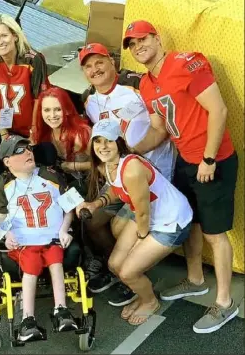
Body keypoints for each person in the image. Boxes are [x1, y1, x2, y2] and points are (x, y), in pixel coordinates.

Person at [123, 20, 239, 333]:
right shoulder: (147, 84)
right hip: (186, 160)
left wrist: (209, 158)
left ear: (156, 38)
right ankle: (196, 280)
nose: (138, 47)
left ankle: (226, 302)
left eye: (142, 39)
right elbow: (160, 130)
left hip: (213, 159)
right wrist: (130, 146)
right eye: (132, 44)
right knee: (193, 224)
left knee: (215, 234)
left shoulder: (186, 63)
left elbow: (219, 110)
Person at [78, 42, 175, 305]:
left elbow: (163, 123)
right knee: (92, 221)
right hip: (120, 175)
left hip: (152, 172)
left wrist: (134, 153)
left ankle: (135, 274)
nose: (95, 69)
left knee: (122, 227)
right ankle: (119, 271)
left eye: (99, 62)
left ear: (112, 61)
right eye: (88, 66)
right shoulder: (88, 98)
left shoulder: (136, 82)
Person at [77, 119, 193, 325]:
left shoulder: (131, 168)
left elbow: (143, 215)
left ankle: (150, 301)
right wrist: (96, 204)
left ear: (119, 142)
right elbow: (116, 188)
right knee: (114, 264)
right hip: (146, 215)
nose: (103, 147)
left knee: (128, 271)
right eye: (98, 142)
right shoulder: (108, 165)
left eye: (109, 141)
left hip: (170, 221)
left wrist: (141, 239)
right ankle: (141, 294)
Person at [0, 135, 78, 340]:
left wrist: (65, 229)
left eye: (28, 148)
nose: (28, 151)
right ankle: (27, 319)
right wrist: (7, 233)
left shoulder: (52, 175)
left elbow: (70, 208)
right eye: (19, 151)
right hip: (23, 242)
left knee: (56, 260)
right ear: (7, 161)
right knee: (31, 264)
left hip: (52, 238)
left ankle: (61, 310)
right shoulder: (4, 183)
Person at [0, 13, 52, 186]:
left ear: (14, 35)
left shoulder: (33, 59)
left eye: (4, 35)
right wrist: (4, 134)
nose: (0, 41)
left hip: (32, 125)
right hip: (7, 128)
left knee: (42, 165)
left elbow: (38, 99)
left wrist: (34, 129)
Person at [34, 86, 91, 193]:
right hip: (59, 182)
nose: (52, 115)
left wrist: (75, 166)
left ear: (67, 109)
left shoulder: (80, 133)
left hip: (85, 183)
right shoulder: (45, 132)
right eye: (47, 110)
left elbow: (104, 164)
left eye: (58, 109)